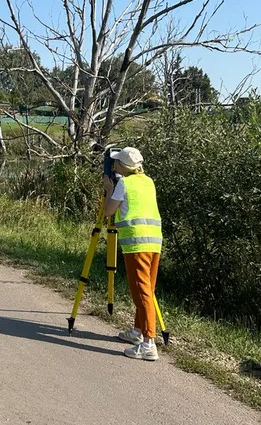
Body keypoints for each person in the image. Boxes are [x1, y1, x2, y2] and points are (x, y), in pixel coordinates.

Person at [102, 147, 163, 361]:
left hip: (136, 243)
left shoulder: (123, 184)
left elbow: (109, 211)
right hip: (154, 241)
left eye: (117, 163)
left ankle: (148, 343)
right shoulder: (148, 181)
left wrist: (109, 190)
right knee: (147, 288)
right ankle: (137, 331)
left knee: (142, 292)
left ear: (123, 167)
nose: (115, 165)